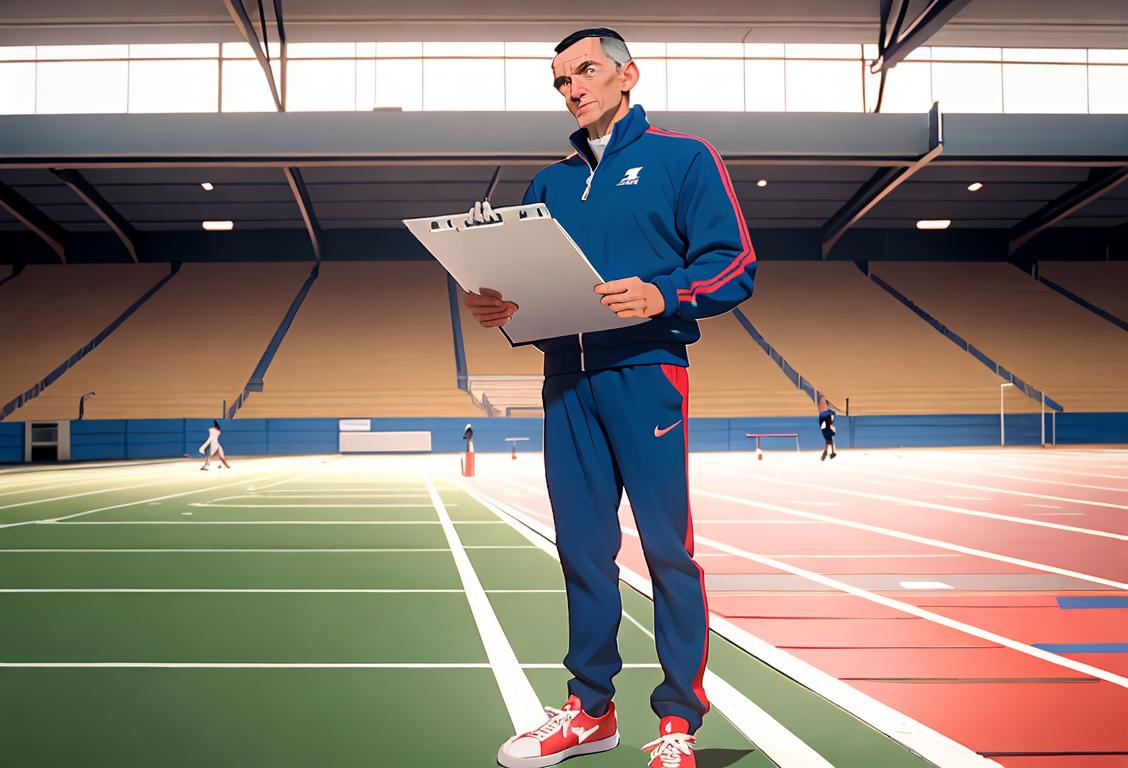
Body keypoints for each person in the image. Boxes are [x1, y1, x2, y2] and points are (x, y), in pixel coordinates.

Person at [465, 28, 757, 768]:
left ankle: (679, 722)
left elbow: (735, 264)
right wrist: (504, 308)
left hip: (646, 373)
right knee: (583, 550)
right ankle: (591, 711)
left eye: (586, 71)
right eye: (560, 80)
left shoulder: (684, 157)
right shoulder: (549, 183)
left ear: (628, 74)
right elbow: (532, 283)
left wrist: (665, 293)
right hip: (567, 382)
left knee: (667, 551)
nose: (572, 88)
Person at [818, 396, 837, 461]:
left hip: (824, 424)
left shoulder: (825, 416)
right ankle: (828, 452)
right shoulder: (827, 416)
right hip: (825, 423)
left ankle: (827, 452)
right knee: (829, 439)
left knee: (829, 440)